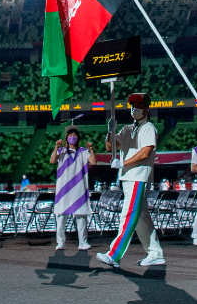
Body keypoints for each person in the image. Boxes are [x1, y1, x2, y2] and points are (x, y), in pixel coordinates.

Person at [96, 92, 165, 268]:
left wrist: (123, 163)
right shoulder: (127, 128)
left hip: (138, 177)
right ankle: (155, 253)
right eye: (132, 106)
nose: (134, 109)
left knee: (128, 215)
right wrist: (110, 131)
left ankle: (114, 254)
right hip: (128, 177)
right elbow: (111, 146)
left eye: (139, 106)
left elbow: (145, 152)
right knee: (141, 217)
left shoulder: (148, 127)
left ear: (147, 109)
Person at [50, 125, 95, 251]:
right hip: (63, 188)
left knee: (81, 217)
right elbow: (53, 161)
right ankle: (60, 242)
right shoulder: (61, 151)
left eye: (75, 135)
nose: (73, 137)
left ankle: (83, 242)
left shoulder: (83, 151)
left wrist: (91, 149)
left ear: (78, 137)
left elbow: (93, 161)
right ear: (66, 137)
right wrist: (56, 147)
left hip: (79, 188)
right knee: (60, 217)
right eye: (70, 135)